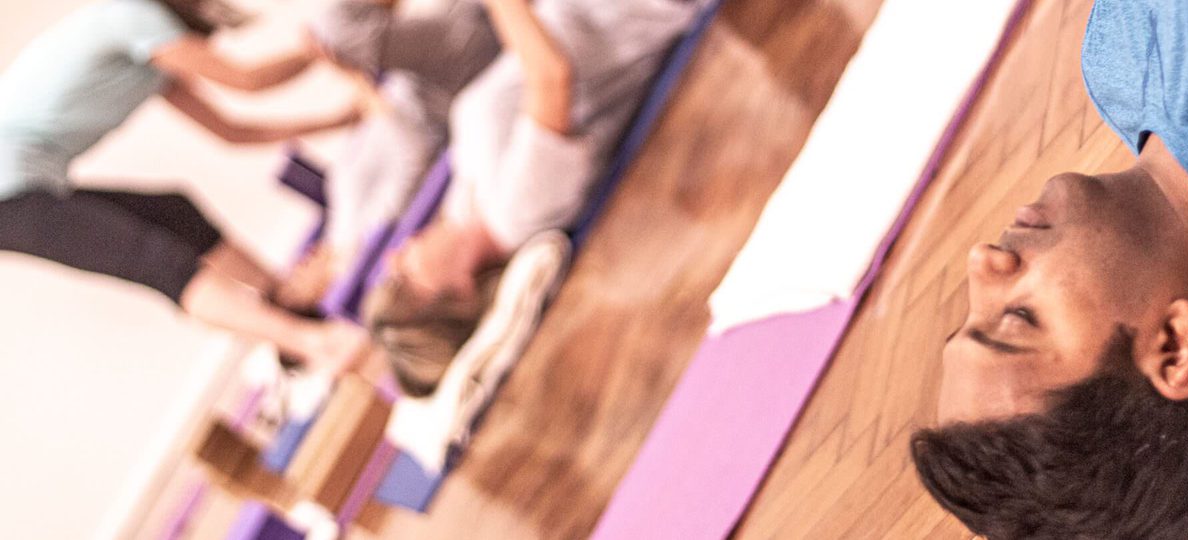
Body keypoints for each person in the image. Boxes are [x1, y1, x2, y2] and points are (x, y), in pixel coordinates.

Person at [909, 0, 1188, 538]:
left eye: (969, 315)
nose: (982, 262)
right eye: (1017, 318)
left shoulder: (1114, 72)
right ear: (1174, 346)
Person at [361, 0, 714, 396]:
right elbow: (551, 76)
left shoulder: (465, 209)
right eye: (404, 277)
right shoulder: (518, 214)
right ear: (460, 294)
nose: (393, 257)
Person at [0, 0, 369, 371]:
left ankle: (283, 297)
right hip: (7, 194)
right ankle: (313, 343)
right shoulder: (133, 16)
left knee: (174, 211)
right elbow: (247, 80)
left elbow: (232, 132)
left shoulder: (154, 55)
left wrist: (337, 121)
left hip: (26, 186)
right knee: (157, 261)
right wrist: (320, 46)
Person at [270, 0, 503, 313]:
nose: (299, 265)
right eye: (297, 284)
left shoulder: (339, 229)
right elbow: (414, 156)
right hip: (439, 88)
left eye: (290, 273)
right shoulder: (362, 243)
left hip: (413, 79)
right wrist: (356, 81)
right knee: (333, 30)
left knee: (333, 31)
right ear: (321, 298)